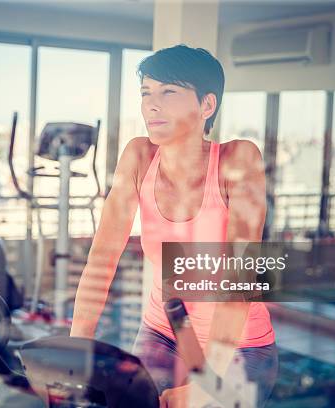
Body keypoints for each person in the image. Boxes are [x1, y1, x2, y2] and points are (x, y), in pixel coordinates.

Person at [70, 44, 278, 407]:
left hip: (241, 348)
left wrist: (209, 384)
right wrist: (76, 348)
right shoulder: (138, 156)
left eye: (168, 92)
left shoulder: (239, 159)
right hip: (164, 331)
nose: (152, 104)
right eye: (146, 93)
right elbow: (101, 259)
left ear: (207, 106)